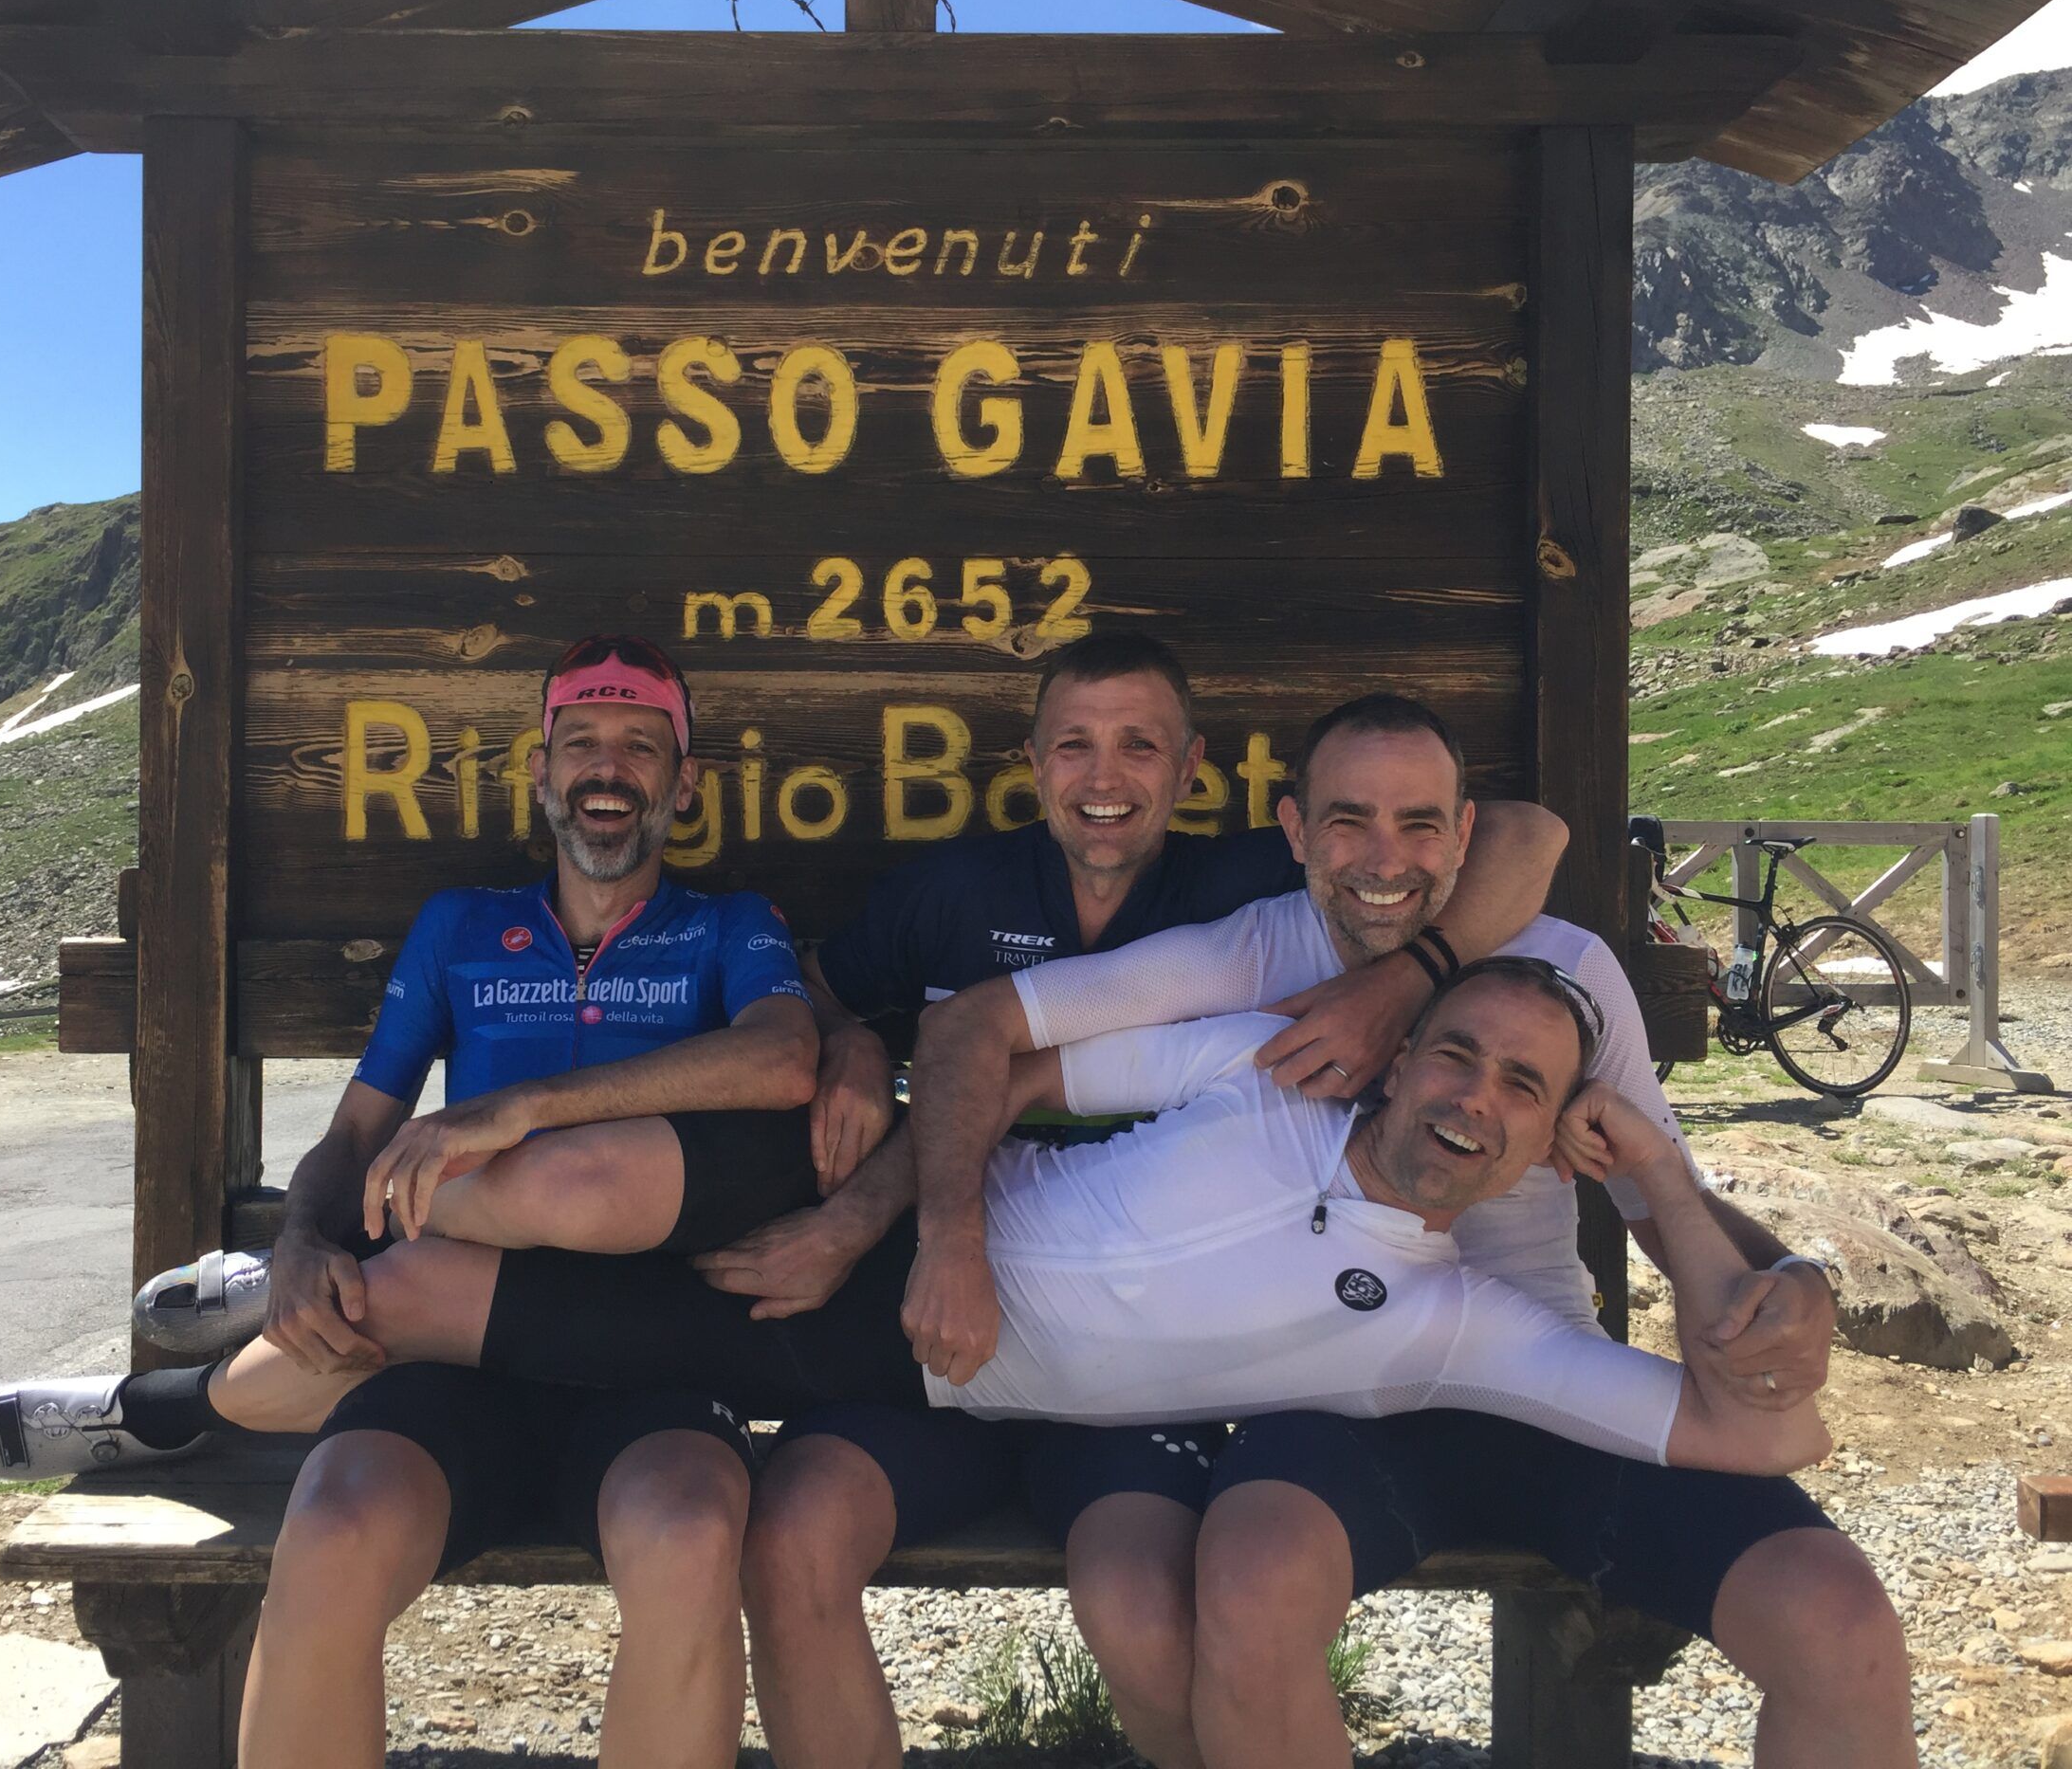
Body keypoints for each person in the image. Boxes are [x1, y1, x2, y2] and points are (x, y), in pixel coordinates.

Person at [894, 693, 1910, 1769]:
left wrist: (1792, 1280)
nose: (1385, 858)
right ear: (1295, 831)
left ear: (1462, 836)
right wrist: (918, 1223)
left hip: (1545, 1375)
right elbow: (985, 1043)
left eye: (1420, 824)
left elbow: (1655, 1207)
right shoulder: (1251, 955)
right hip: (1335, 1403)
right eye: (1349, 821)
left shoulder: (1564, 969)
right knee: (1250, 1581)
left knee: (1836, 1623)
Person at [0, 632, 820, 1769]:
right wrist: (302, 1240)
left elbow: (783, 1057)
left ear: (682, 782)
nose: (610, 770)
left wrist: (525, 1109)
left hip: (649, 1352)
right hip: (443, 1364)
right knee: (335, 1528)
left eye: (642, 747)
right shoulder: (460, 924)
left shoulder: (729, 925)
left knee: (694, 1536)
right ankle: (163, 1394)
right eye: (583, 744)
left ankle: (164, 1404)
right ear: (540, 771)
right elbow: (357, 1131)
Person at [694, 643, 1572, 1769]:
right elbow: (811, 992)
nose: (1104, 778)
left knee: (1144, 1615)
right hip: (943, 1328)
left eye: (1139, 746)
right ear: (1032, 763)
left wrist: (1408, 976)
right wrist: (854, 1042)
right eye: (1074, 745)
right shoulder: (952, 891)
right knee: (792, 1541)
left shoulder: (1244, 884)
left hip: (1139, 1363)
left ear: (1192, 769)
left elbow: (1525, 834)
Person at [204, 959, 1834, 1485]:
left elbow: (1757, 1438)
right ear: (1402, 1053)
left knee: (416, 1297)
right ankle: (240, 1280)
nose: (1473, 1096)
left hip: (871, 1357)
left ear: (1549, 1145)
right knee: (552, 1189)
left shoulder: (1456, 1327)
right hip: (866, 1210)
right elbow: (982, 1054)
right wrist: (925, 1227)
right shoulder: (1258, 1070)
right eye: (1458, 1051)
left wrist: (1664, 1189)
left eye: (1527, 1090)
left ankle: (160, 1398)